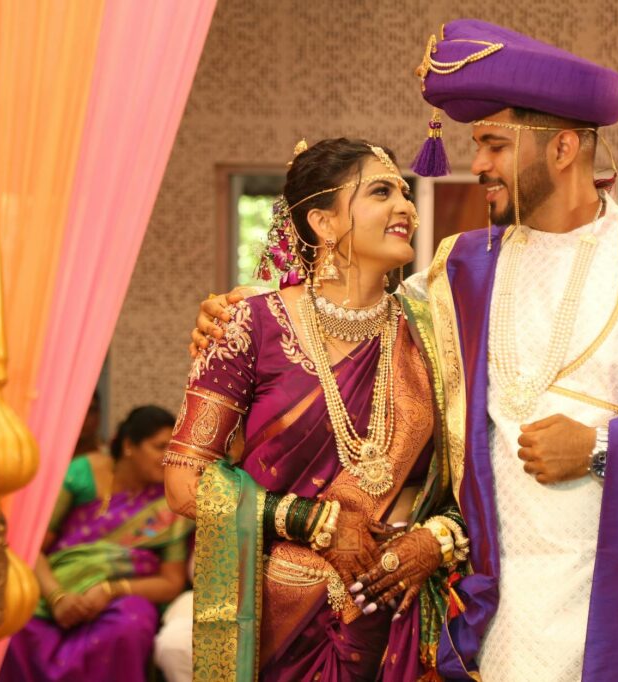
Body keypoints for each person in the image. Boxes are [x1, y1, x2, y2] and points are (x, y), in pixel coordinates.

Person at [193, 20, 618, 681]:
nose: (477, 166)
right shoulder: (459, 266)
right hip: (500, 611)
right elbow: (347, 313)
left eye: (494, 145)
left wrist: (600, 445)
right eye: (475, 145)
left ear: (561, 148)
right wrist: (247, 312)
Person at [164, 138, 469, 681]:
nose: (407, 206)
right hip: (278, 619)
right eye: (382, 191)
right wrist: (313, 521)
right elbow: (185, 482)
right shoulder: (246, 325)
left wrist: (435, 539)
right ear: (324, 222)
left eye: (404, 192)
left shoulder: (435, 335)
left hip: (393, 613)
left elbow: (469, 479)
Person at [0, 406, 193, 682]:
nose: (168, 458)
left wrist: (110, 590)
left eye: (174, 449)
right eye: (159, 447)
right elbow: (32, 546)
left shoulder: (169, 501)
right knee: (14, 624)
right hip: (59, 587)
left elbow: (171, 582)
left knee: (130, 627)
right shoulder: (83, 473)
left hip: (121, 598)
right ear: (128, 446)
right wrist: (58, 598)